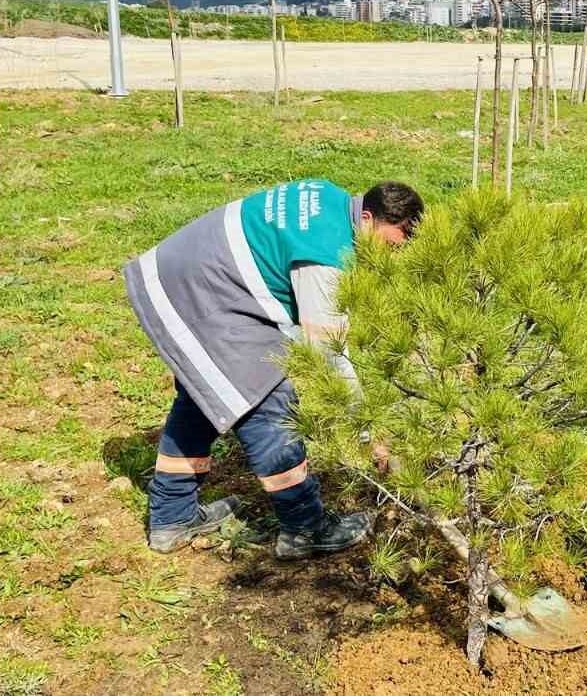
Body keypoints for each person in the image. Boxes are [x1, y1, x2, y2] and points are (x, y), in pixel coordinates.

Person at [123, 179, 423, 560]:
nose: (389, 257)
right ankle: (305, 527)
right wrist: (368, 432)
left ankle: (172, 518)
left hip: (176, 277)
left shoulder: (331, 200)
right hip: (204, 293)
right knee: (267, 397)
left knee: (203, 396)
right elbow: (326, 350)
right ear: (367, 218)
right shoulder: (324, 254)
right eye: (389, 245)